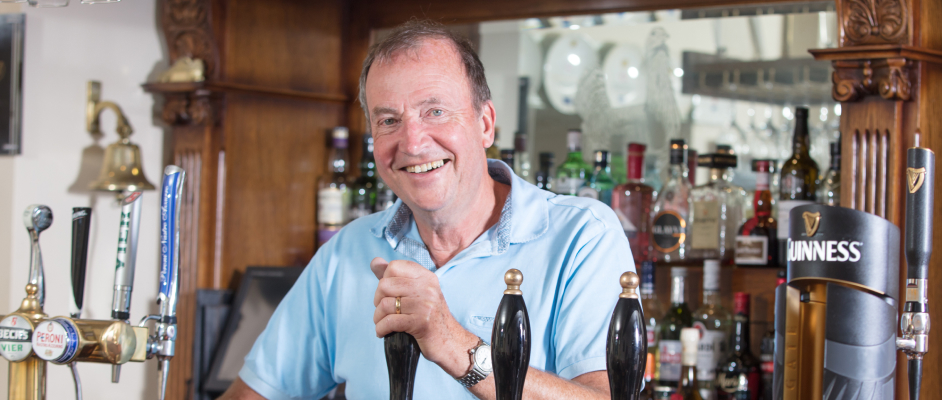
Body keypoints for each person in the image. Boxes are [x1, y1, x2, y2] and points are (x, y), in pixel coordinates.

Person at [220, 19, 633, 400]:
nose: (413, 143)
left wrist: (450, 342)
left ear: (485, 124)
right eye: (388, 121)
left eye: (435, 111)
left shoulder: (582, 235)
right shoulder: (348, 252)